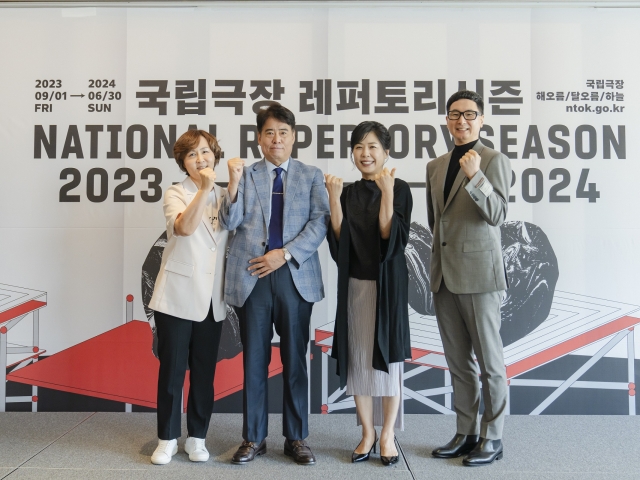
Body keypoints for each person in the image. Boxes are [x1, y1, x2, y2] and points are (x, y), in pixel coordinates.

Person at [219, 103, 330, 466]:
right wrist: (233, 184)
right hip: (252, 276)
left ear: (293, 137)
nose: (276, 139)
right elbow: (230, 220)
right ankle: (253, 438)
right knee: (254, 360)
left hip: (294, 274)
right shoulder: (247, 175)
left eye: (283, 132)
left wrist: (284, 254)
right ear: (259, 139)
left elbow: (320, 222)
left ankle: (296, 437)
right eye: (269, 132)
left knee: (295, 360)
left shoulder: (311, 175)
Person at [425, 90, 511, 466]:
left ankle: (493, 436)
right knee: (459, 362)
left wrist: (476, 176)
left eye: (469, 114)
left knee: (490, 363)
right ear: (447, 120)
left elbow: (497, 214)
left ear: (481, 119)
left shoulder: (493, 159)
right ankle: (466, 431)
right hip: (444, 275)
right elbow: (436, 220)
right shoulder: (436, 165)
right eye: (454, 114)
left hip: (480, 275)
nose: (462, 120)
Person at [325, 121, 413, 466]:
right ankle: (367, 432)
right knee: (357, 360)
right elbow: (339, 242)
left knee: (388, 361)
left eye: (373, 146)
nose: (365, 154)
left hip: (388, 286)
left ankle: (388, 434)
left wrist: (387, 192)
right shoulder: (347, 193)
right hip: (355, 286)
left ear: (386, 152)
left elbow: (391, 238)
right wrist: (334, 199)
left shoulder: (401, 188)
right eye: (359, 147)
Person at [148, 129, 230, 465]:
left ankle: (197, 437)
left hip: (213, 299)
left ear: (215, 155)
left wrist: (218, 189)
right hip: (178, 296)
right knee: (172, 370)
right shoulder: (175, 192)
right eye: (193, 154)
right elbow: (183, 228)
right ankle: (166, 438)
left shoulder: (229, 195)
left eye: (206, 152)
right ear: (183, 161)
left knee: (203, 372)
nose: (201, 159)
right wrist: (205, 190)